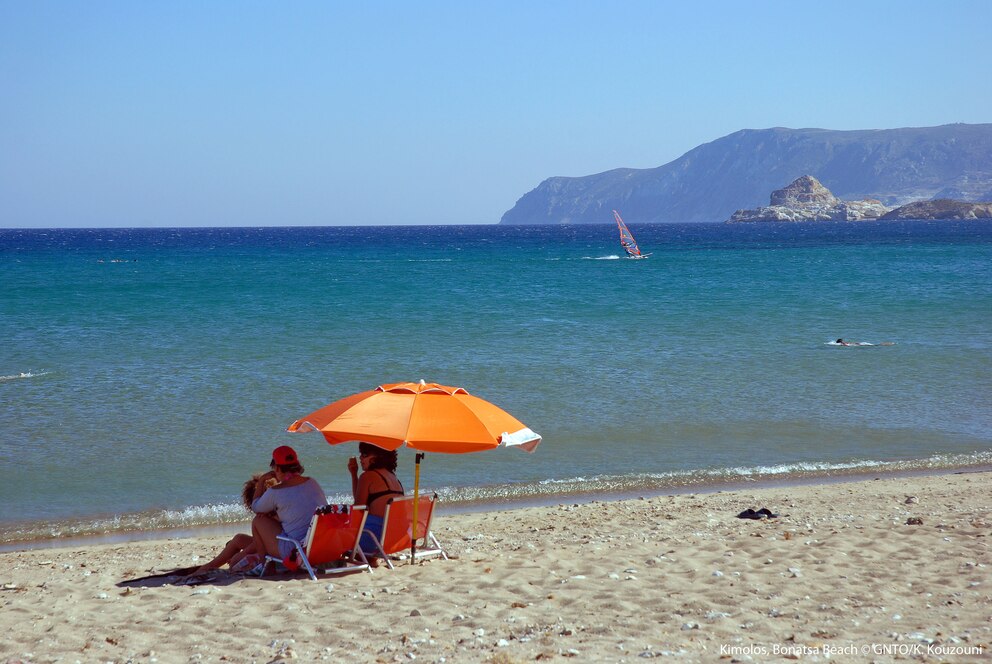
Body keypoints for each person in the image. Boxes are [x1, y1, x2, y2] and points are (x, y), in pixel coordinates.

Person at [250, 445, 328, 567]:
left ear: (277, 468)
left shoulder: (276, 491)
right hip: (320, 544)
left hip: (296, 550)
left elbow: (255, 507)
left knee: (258, 521)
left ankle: (264, 565)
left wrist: (262, 480)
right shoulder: (312, 482)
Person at [348, 442, 405, 556]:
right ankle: (370, 559)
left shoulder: (367, 476)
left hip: (374, 537)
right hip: (394, 537)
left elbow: (358, 510)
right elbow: (362, 502)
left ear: (376, 458)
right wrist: (354, 474)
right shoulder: (393, 477)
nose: (360, 457)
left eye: (364, 454)